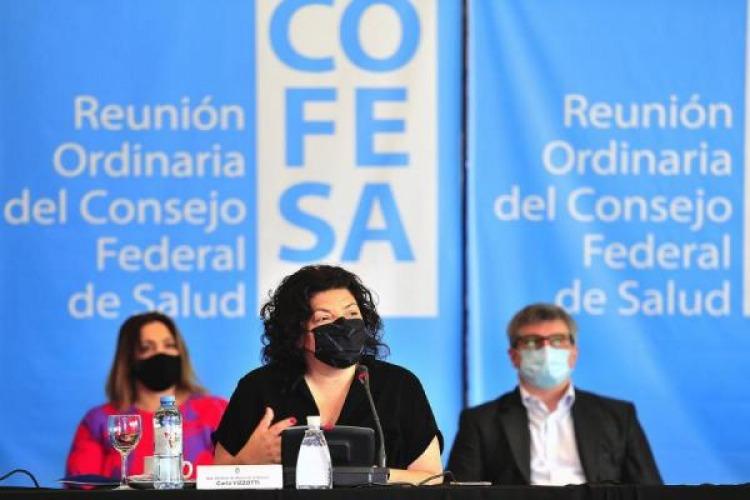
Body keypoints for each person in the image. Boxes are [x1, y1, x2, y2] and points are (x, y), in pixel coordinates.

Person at [213, 265, 443, 484]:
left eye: (351, 313)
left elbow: (431, 477)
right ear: (297, 334)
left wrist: (374, 476)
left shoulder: (399, 386)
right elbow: (215, 481)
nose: (343, 324)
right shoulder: (258, 388)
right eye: (324, 318)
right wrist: (246, 461)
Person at [448, 303, 662, 485]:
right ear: (514, 356)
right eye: (532, 341)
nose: (546, 350)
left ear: (573, 354)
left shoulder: (618, 416)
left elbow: (649, 490)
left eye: (558, 340)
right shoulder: (480, 422)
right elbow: (459, 493)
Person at [66, 311, 227, 479]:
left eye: (169, 345)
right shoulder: (99, 421)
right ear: (128, 360)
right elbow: (80, 486)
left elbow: (238, 477)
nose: (161, 354)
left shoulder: (217, 411)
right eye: (146, 348)